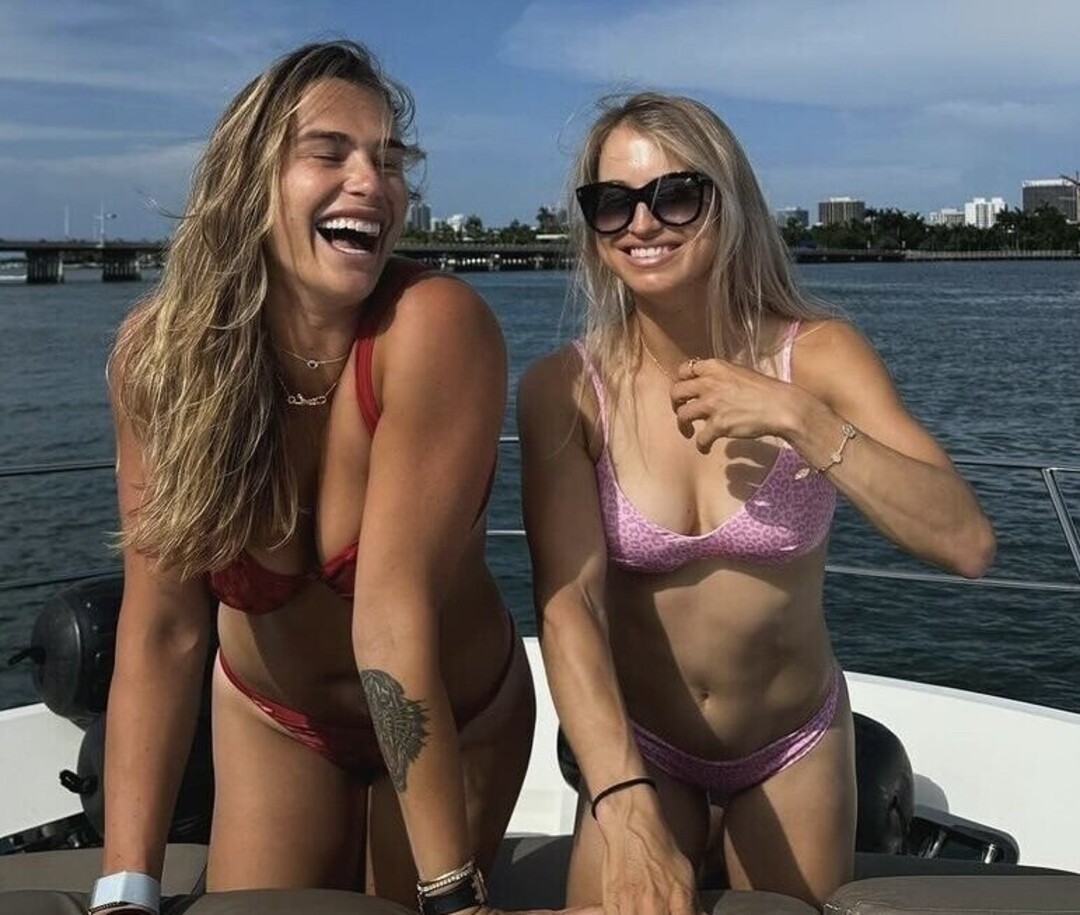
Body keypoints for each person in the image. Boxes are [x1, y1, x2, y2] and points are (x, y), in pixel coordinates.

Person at [517, 92, 996, 912]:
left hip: (791, 745)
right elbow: (571, 608)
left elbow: (966, 542)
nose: (643, 223)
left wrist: (802, 419)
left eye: (676, 194)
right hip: (644, 747)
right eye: (613, 202)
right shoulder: (566, 391)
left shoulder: (819, 356)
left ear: (728, 200)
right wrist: (621, 798)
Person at [95, 40, 538, 915]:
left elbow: (391, 616)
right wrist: (125, 889)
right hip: (274, 718)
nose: (372, 182)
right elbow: (164, 630)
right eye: (330, 153)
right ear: (249, 181)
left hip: (455, 716)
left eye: (389, 160)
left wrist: (453, 896)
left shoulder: (433, 328)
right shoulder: (159, 360)